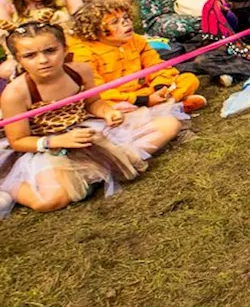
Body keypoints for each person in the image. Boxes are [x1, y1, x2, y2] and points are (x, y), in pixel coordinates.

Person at [0, 22, 184, 216]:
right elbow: (18, 141)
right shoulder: (15, 94)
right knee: (51, 201)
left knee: (169, 124)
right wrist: (58, 141)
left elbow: (92, 102)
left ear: (64, 49)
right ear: (18, 60)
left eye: (50, 50)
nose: (43, 60)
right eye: (30, 56)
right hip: (45, 146)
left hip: (86, 129)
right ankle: (8, 186)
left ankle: (96, 170)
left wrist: (106, 112)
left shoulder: (80, 71)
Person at [67, 0, 205, 112]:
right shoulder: (83, 54)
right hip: (117, 99)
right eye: (115, 22)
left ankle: (168, 103)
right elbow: (97, 93)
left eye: (126, 17)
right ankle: (170, 107)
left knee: (188, 79)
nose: (125, 22)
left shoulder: (136, 40)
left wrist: (160, 88)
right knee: (108, 106)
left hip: (145, 91)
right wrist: (142, 100)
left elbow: (157, 67)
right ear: (94, 31)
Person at [0, 0, 77, 81]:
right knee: (5, 70)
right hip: (28, 55)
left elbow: (82, 26)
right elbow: (7, 40)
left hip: (65, 50)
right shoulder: (4, 3)